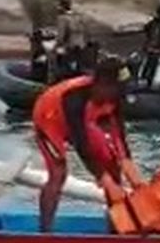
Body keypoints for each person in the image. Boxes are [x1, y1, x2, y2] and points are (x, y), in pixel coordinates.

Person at [32, 57, 144, 232]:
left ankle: (116, 228)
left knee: (113, 166)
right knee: (58, 173)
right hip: (49, 120)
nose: (118, 97)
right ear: (101, 84)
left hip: (86, 119)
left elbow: (119, 138)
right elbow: (81, 145)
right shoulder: (74, 99)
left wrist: (133, 175)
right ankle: (45, 231)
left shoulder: (115, 97)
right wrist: (104, 180)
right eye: (116, 90)